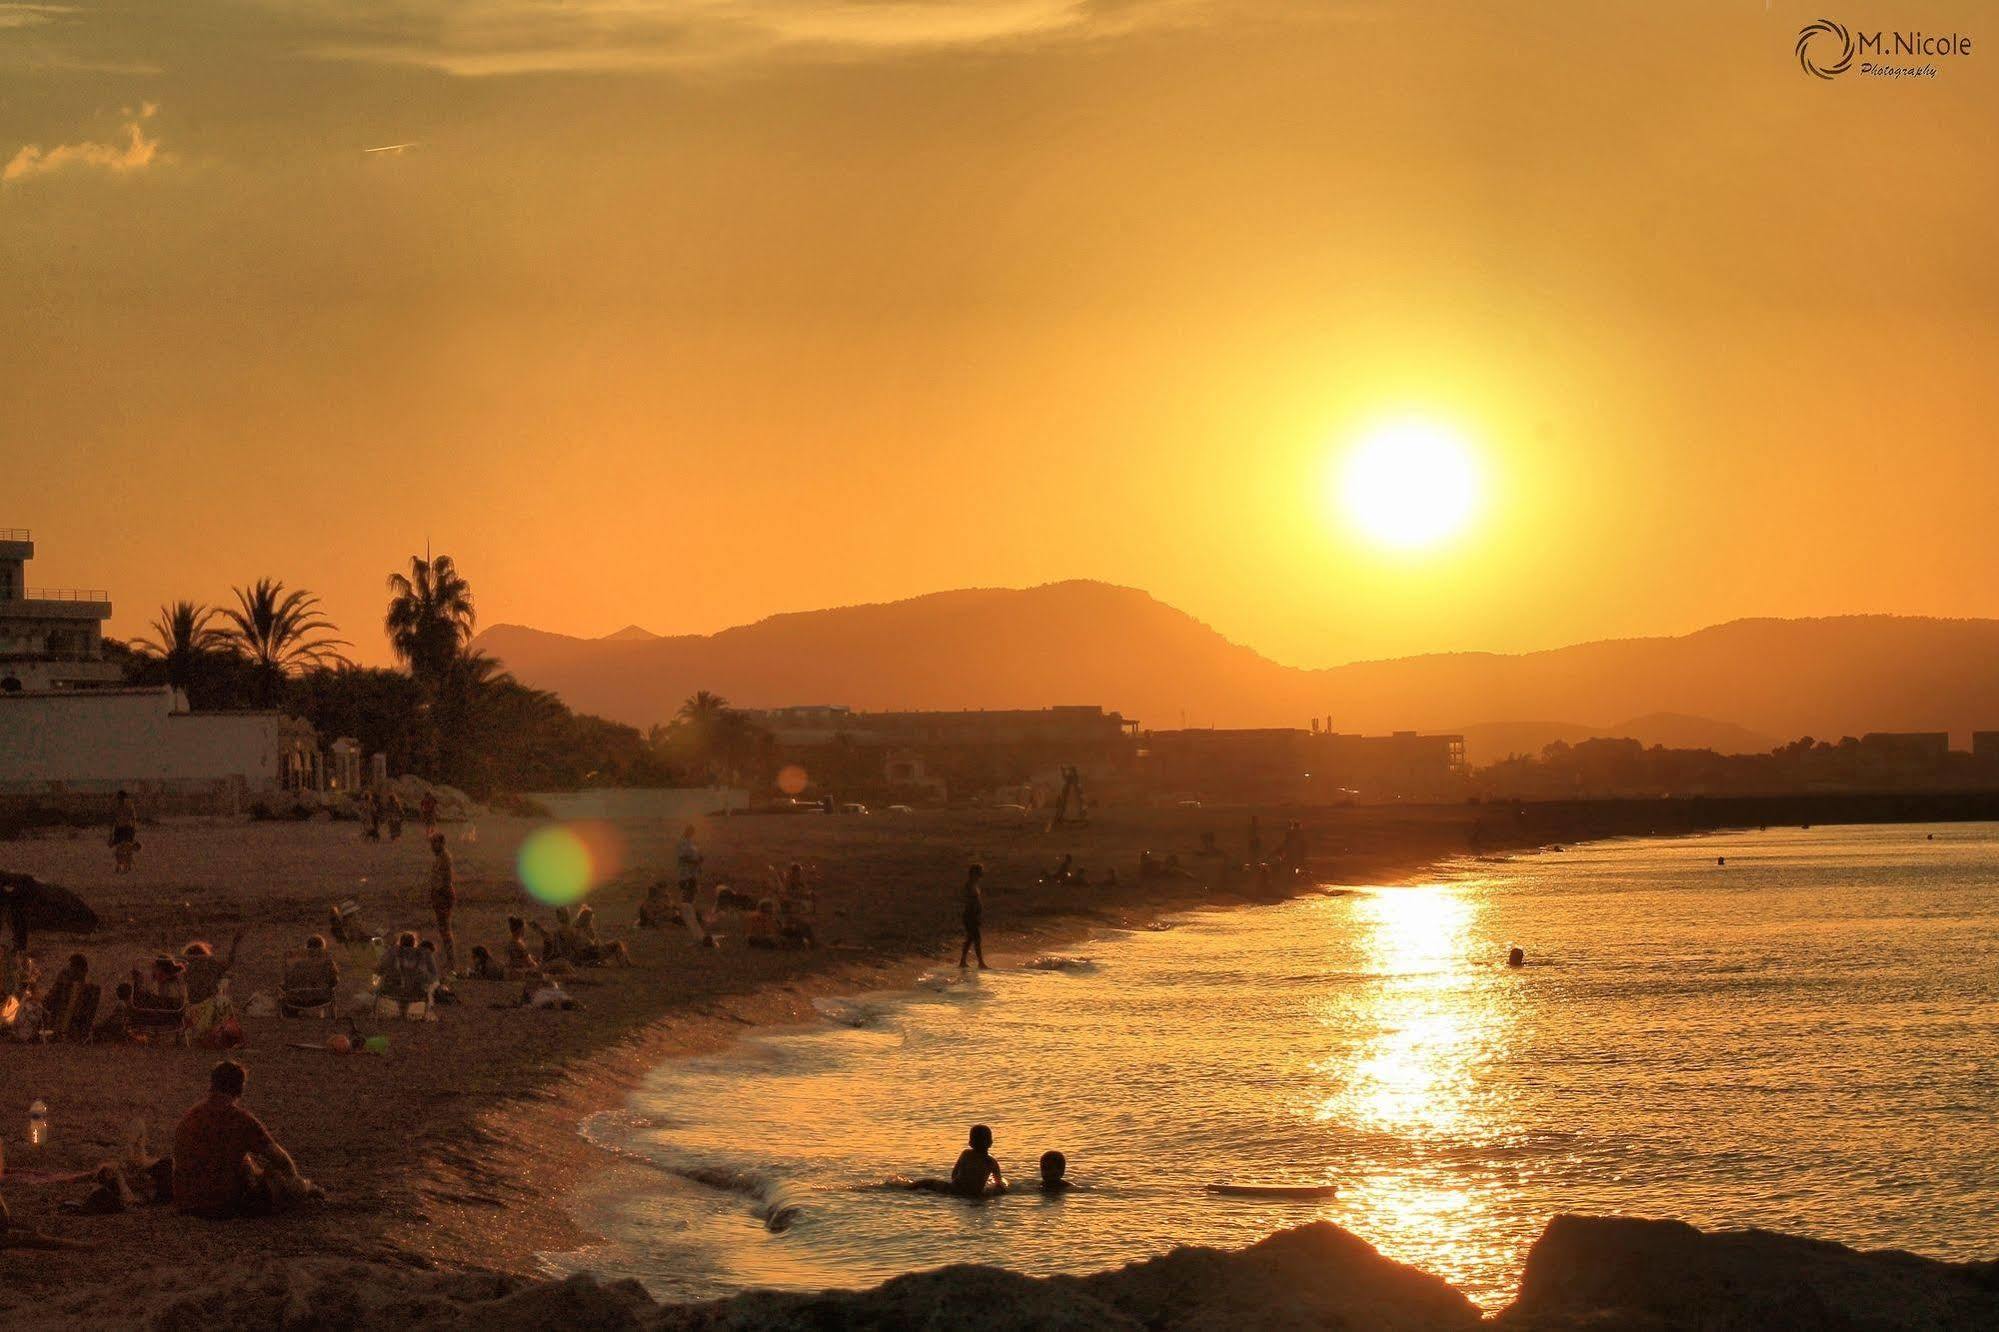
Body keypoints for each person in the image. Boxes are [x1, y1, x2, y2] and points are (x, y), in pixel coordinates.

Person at [172, 1060, 307, 1218]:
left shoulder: (191, 1117)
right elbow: (279, 1159)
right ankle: (307, 1188)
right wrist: (294, 1180)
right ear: (240, 1089)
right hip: (223, 1204)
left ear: (212, 1085)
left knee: (245, 1161)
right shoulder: (241, 1120)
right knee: (282, 1182)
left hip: (186, 1202)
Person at [45, 952, 100, 1042]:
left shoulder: (65, 985)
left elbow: (51, 999)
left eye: (71, 966)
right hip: (75, 1025)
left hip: (63, 1023)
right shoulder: (91, 990)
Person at [280, 936, 339, 1016]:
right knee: (331, 993)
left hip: (298, 999)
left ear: (307, 948)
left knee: (284, 998)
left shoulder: (297, 965)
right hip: (321, 998)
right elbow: (334, 982)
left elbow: (286, 984)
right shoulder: (328, 963)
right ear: (322, 949)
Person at [182, 930, 245, 1004]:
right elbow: (229, 962)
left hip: (191, 1006)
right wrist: (234, 944)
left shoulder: (184, 967)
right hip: (208, 1005)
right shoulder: (210, 965)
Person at [427, 833, 458, 975]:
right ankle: (450, 960)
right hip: (440, 895)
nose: (432, 846)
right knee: (443, 929)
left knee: (445, 929)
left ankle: (451, 962)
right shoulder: (441, 857)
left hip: (443, 896)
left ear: (441, 843)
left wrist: (438, 895)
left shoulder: (445, 859)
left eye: (434, 843)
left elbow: (445, 882)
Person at [951, 1124, 1007, 1197]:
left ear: (970, 1143)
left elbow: (954, 1174)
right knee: (1002, 1184)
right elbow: (998, 1181)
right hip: (976, 1193)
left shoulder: (966, 1154)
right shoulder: (991, 1161)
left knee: (931, 1182)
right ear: (990, 1143)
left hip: (956, 1189)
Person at [957, 863, 987, 970]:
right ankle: (980, 963)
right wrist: (975, 913)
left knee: (970, 938)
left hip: (973, 915)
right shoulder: (969, 885)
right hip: (970, 915)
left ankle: (963, 961)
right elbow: (969, 901)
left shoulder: (974, 885)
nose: (981, 875)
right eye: (979, 872)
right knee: (976, 939)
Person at [111, 790, 139, 873]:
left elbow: (133, 818)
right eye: (119, 798)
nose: (120, 799)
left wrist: (134, 828)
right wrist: (112, 832)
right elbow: (114, 819)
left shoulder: (129, 805)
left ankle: (127, 866)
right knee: (119, 848)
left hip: (127, 827)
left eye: (120, 798)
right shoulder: (117, 806)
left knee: (128, 847)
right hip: (119, 828)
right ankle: (119, 865)